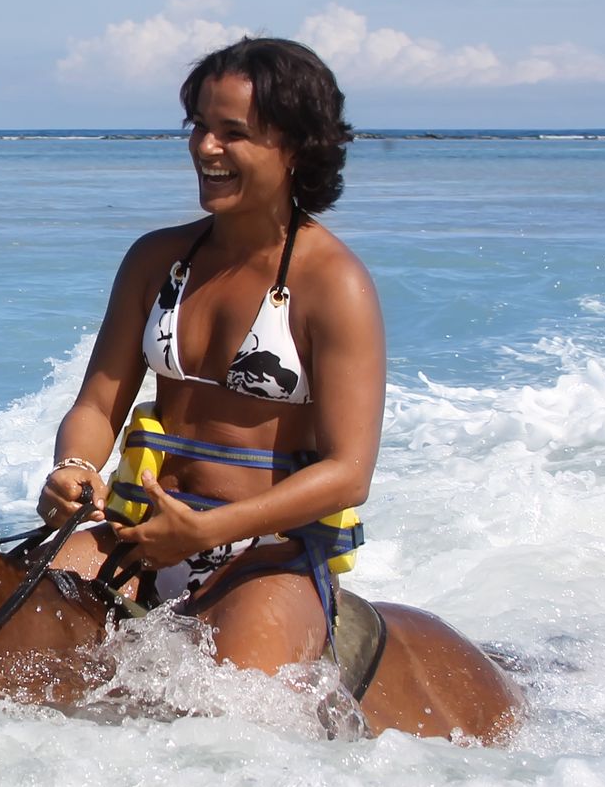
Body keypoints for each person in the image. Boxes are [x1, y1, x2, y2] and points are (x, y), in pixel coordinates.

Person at [38, 37, 381, 676]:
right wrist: (74, 467)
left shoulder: (334, 282)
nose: (205, 148)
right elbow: (96, 403)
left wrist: (208, 534)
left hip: (268, 555)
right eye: (199, 126)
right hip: (138, 534)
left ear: (298, 147)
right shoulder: (155, 259)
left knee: (224, 737)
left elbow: (347, 472)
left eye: (233, 132)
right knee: (12, 646)